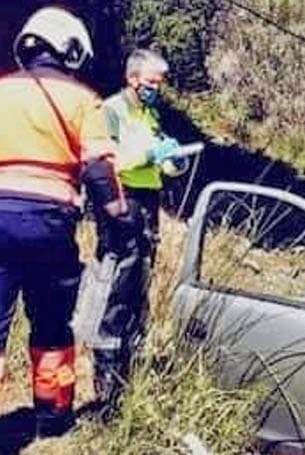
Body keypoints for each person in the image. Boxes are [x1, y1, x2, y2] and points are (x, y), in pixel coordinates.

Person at [0, 6, 131, 455]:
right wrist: (120, 222)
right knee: (51, 325)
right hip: (48, 225)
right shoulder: (87, 103)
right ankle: (53, 420)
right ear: (71, 50)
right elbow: (101, 173)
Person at [93, 48, 188, 409]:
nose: (155, 89)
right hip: (121, 202)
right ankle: (106, 381)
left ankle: (130, 369)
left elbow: (161, 164)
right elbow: (109, 163)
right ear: (132, 78)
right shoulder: (111, 110)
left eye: (159, 84)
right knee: (119, 285)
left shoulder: (149, 113)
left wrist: (173, 160)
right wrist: (148, 156)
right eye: (150, 82)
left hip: (148, 202)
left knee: (140, 282)